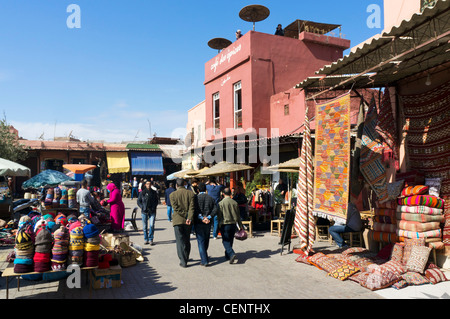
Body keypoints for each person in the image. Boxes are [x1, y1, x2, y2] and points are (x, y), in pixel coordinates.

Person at [169, 178, 195, 268]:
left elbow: (175, 208)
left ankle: (183, 260)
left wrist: (184, 215)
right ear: (184, 184)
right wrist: (188, 217)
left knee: (180, 241)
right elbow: (192, 208)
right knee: (187, 240)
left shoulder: (172, 195)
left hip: (178, 220)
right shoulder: (191, 193)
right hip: (188, 221)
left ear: (176, 185)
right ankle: (186, 257)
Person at [218, 188, 244, 264]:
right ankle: (228, 255)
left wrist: (218, 225)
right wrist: (240, 225)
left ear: (223, 194)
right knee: (230, 240)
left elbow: (219, 215)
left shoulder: (221, 203)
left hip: (225, 223)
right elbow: (238, 215)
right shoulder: (234, 202)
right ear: (230, 194)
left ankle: (231, 253)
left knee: (225, 241)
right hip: (233, 223)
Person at [194, 182, 217, 266]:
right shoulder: (210, 198)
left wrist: (201, 218)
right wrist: (209, 217)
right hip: (208, 222)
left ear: (198, 190)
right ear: (206, 189)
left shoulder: (195, 198)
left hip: (199, 222)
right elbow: (215, 209)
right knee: (206, 239)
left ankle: (204, 260)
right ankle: (205, 256)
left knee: (200, 241)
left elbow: (194, 210)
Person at [137, 181, 159, 245]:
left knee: (151, 225)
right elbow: (139, 201)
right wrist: (142, 207)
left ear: (151, 185)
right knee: (145, 226)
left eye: (149, 184)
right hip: (144, 211)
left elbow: (156, 201)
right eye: (147, 184)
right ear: (145, 185)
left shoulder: (154, 192)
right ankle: (146, 239)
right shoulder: (142, 193)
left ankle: (151, 239)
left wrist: (154, 207)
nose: (148, 185)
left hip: (152, 211)